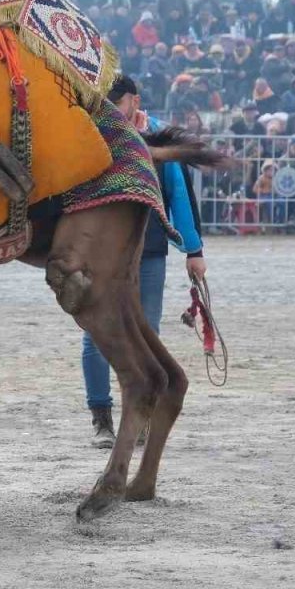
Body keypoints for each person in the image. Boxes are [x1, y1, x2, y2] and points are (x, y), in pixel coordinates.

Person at [82, 75, 207, 449]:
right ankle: (101, 418)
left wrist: (194, 251)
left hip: (150, 248)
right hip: (100, 252)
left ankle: (138, 415)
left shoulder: (157, 139)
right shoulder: (92, 135)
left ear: (134, 101)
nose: (110, 110)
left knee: (146, 333)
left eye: (116, 102)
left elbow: (179, 196)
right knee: (96, 334)